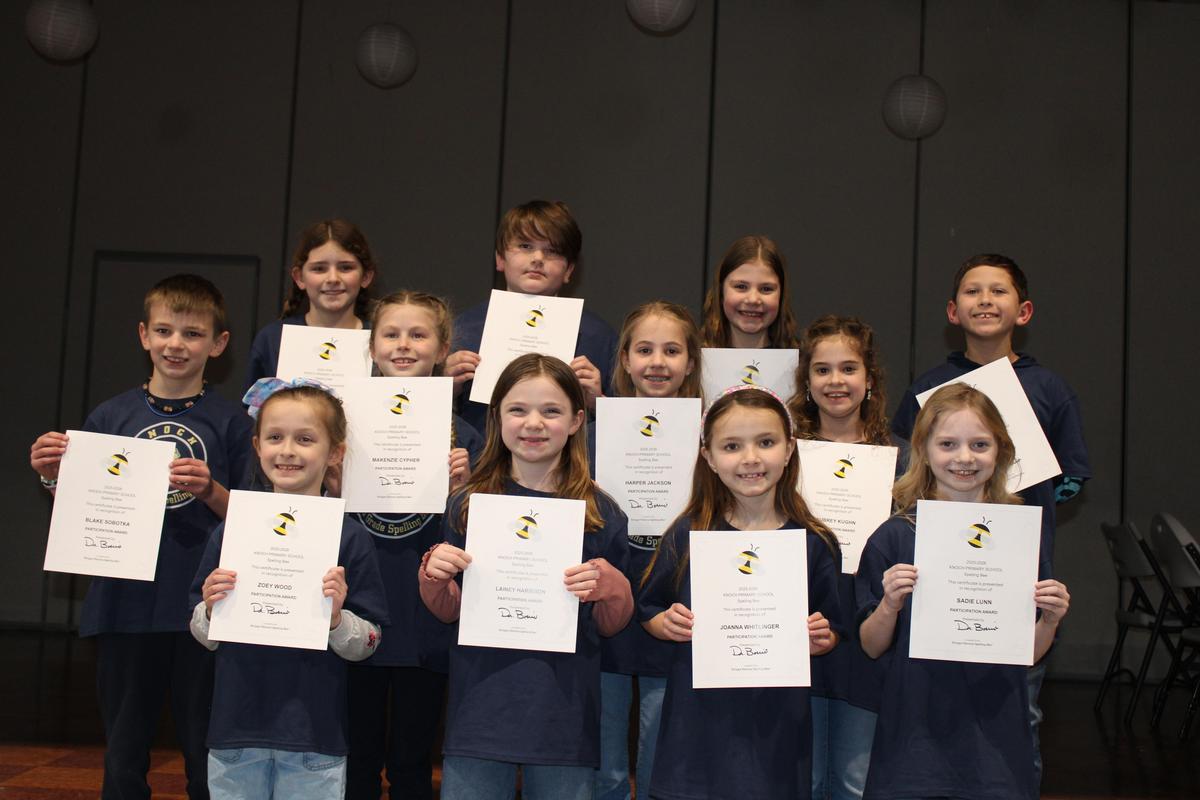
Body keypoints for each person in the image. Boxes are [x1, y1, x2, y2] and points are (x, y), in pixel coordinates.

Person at [29, 274, 252, 799]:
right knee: (124, 750)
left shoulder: (233, 424)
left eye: (193, 334)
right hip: (124, 605)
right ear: (144, 335)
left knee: (204, 747)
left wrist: (211, 490)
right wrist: (53, 477)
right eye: (165, 330)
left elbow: (253, 518)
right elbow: (83, 511)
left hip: (204, 606)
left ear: (218, 344)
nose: (177, 344)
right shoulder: (109, 416)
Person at [890, 254, 1090, 785]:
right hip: (938, 583)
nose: (985, 300)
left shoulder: (1049, 388)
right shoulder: (928, 386)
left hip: (1012, 581)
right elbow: (903, 472)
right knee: (931, 713)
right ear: (952, 311)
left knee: (1020, 712)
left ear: (1023, 311)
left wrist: (1011, 518)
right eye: (973, 291)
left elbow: (1070, 480)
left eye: (998, 291)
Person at [418, 353, 633, 800]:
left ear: (576, 421)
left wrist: (616, 591)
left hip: (564, 716)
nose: (533, 423)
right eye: (518, 409)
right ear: (497, 417)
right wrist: (432, 580)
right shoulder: (466, 505)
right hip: (479, 710)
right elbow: (449, 611)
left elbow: (609, 626)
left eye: (551, 411)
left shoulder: (601, 513)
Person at [858, 383, 1070, 799]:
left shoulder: (1019, 537)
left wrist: (1050, 618)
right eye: (948, 444)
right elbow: (870, 645)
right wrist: (889, 605)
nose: (965, 458)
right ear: (923, 450)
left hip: (995, 735)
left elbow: (1027, 653)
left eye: (980, 444)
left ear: (1001, 451)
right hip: (914, 735)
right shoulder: (894, 536)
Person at [640, 385, 841, 800]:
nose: (751, 458)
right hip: (697, 727)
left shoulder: (815, 541)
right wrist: (665, 624)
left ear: (789, 449)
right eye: (732, 446)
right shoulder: (687, 533)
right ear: (709, 458)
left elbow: (834, 624)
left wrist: (823, 638)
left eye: (766, 442)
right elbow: (649, 609)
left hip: (776, 727)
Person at [190, 382, 389, 799]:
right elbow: (203, 635)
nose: (288, 451)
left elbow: (369, 642)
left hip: (314, 738)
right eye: (275, 437)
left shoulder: (350, 538)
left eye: (305, 439)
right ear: (257, 445)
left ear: (335, 453)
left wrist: (336, 620)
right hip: (234, 734)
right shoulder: (232, 531)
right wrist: (210, 609)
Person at [345, 290, 484, 800]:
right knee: (356, 759)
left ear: (442, 348)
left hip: (425, 619)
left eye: (418, 335)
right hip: (359, 607)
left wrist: (463, 489)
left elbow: (481, 534)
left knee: (412, 762)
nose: (404, 345)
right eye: (391, 334)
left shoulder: (465, 437)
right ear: (372, 347)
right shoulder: (343, 425)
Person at [789, 315, 903, 799]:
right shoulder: (782, 454)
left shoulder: (901, 459)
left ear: (869, 378)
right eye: (822, 370)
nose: (835, 381)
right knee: (806, 778)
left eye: (849, 368)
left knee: (855, 783)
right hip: (804, 625)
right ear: (806, 381)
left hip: (868, 632)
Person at [596, 301, 702, 800]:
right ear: (624, 358)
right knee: (605, 767)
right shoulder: (591, 436)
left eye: (672, 351)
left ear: (691, 362)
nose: (657, 362)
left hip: (675, 607)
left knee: (662, 758)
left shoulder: (711, 438)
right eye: (644, 350)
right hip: (605, 605)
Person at [443, 200, 618, 434]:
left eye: (552, 251)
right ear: (500, 259)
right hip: (479, 454)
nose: (537, 258)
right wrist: (444, 390)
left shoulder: (599, 337)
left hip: (568, 456)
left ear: (569, 270)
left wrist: (598, 403)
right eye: (525, 246)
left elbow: (623, 433)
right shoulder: (461, 330)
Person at [245, 219, 378, 389]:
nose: (333, 279)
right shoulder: (272, 339)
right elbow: (252, 403)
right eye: (319, 269)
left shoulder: (382, 341)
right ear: (300, 278)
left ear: (365, 276)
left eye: (345, 268)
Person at [699, 235, 799, 349]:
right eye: (741, 286)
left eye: (766, 289)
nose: (753, 299)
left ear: (781, 296)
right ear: (721, 292)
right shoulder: (693, 357)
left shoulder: (802, 358)